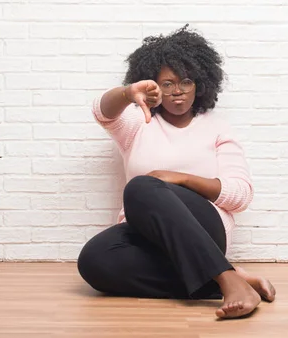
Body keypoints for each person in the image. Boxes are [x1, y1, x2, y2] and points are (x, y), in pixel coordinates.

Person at [76, 25, 276, 319]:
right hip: (147, 234)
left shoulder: (217, 127)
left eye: (186, 82)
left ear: (200, 84)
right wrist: (127, 94)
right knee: (94, 260)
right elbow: (102, 112)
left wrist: (179, 179)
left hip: (206, 228)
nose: (178, 91)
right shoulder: (138, 122)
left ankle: (226, 279)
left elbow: (240, 195)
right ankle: (230, 280)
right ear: (153, 86)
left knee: (141, 187)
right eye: (167, 84)